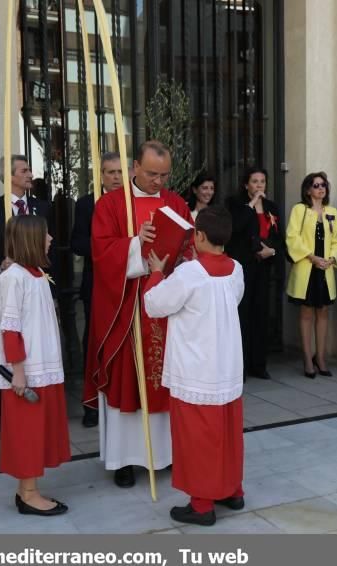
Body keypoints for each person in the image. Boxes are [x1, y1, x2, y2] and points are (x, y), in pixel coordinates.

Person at [83, 140, 194, 488]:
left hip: (165, 311)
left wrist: (177, 253)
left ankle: (167, 454)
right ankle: (124, 460)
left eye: (163, 175)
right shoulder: (112, 204)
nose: (158, 181)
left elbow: (190, 247)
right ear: (135, 167)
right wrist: (135, 243)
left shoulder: (175, 203)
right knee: (126, 381)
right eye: (151, 174)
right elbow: (100, 253)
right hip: (128, 309)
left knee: (166, 380)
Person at [143, 206, 245, 527]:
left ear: (199, 236)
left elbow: (154, 303)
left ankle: (202, 505)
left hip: (196, 371)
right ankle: (232, 491)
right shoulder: (236, 269)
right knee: (227, 434)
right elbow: (233, 301)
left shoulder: (190, 273)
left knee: (198, 439)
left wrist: (157, 273)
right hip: (226, 367)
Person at [0, 215, 71, 516]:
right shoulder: (14, 276)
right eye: (45, 234)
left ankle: (26, 488)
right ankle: (29, 495)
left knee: (38, 431)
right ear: (30, 239)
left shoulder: (35, 272)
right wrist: (19, 372)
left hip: (43, 365)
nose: (51, 238)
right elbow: (10, 327)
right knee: (28, 433)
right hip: (27, 370)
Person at [0, 155, 52, 440]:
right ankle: (0, 417)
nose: (30, 174)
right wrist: (1, 263)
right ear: (9, 176)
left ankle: (37, 408)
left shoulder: (41, 207)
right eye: (24, 170)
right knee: (6, 350)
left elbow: (49, 248)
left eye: (30, 169)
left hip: (37, 291)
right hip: (6, 294)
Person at [70, 152, 123, 428]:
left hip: (127, 284)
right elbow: (77, 243)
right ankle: (92, 404)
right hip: (97, 285)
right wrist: (106, 247)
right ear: (100, 175)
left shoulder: (131, 202)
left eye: (119, 172)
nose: (116, 177)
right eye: (110, 172)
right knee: (94, 342)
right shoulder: (86, 204)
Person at [225, 166, 286, 380]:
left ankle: (259, 365)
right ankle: (239, 367)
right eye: (254, 181)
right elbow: (234, 229)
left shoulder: (272, 207)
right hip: (244, 266)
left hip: (265, 267)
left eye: (262, 181)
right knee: (242, 316)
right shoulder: (236, 204)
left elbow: (279, 236)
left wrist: (272, 250)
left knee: (261, 316)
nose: (259, 185)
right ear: (246, 185)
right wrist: (251, 205)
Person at [285, 172, 337, 378]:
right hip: (307, 267)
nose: (320, 188)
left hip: (325, 269)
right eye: (316, 185)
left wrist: (332, 258)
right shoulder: (300, 210)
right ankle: (308, 358)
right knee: (307, 313)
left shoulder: (332, 212)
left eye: (323, 185)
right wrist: (312, 257)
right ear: (308, 189)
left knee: (323, 312)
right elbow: (292, 237)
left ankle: (321, 357)